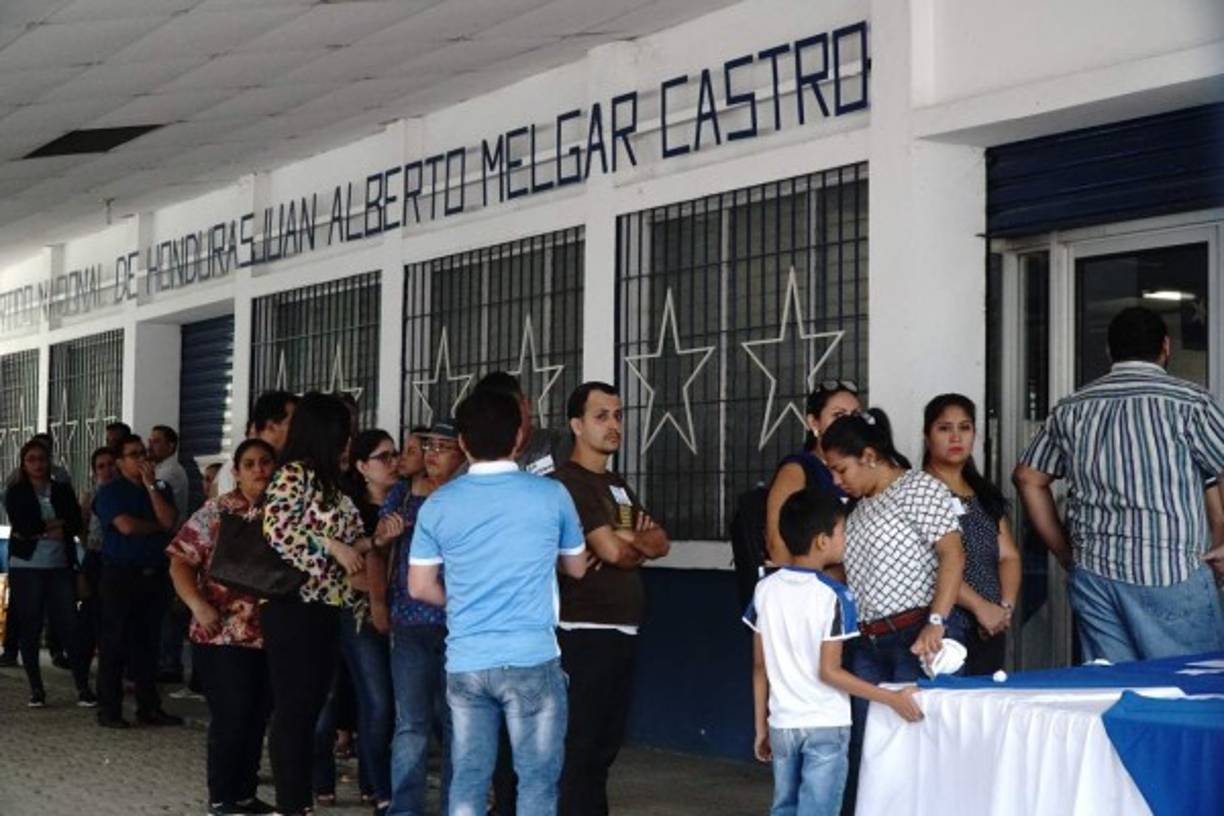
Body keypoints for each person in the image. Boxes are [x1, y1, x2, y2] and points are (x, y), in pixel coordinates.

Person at [407, 389, 587, 816]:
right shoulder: (551, 495)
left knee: (468, 780)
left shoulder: (439, 503)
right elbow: (576, 568)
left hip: (467, 661)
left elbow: (419, 586)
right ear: (519, 435)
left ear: (464, 443)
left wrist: (462, 605)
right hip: (533, 658)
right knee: (537, 783)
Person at [1014, 306, 1224, 662]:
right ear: (1166, 347)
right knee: (1190, 690)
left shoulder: (1072, 408)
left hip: (1095, 573)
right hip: (1170, 569)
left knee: (1113, 693)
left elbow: (1027, 477)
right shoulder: (1190, 403)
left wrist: (1066, 553)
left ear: (1110, 352)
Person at [820, 410, 964, 815]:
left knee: (916, 751)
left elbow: (952, 554)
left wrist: (936, 622)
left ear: (868, 456)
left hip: (915, 637)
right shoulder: (860, 507)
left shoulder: (919, 488)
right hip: (868, 641)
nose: (836, 480)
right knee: (871, 751)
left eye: (840, 469)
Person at [747, 488, 923, 816]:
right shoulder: (835, 595)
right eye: (842, 532)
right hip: (825, 725)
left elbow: (760, 667)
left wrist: (761, 727)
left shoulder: (764, 589)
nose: (846, 540)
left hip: (782, 724)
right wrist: (891, 698)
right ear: (821, 541)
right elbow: (829, 672)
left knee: (784, 807)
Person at [552, 382, 670, 816]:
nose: (614, 425)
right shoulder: (568, 483)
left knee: (604, 749)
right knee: (581, 748)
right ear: (577, 425)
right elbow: (614, 551)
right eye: (602, 416)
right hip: (584, 633)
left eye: (618, 415)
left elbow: (659, 540)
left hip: (622, 631)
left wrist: (629, 538)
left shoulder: (616, 486)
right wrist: (628, 543)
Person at [261, 392, 371, 816]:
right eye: (344, 432)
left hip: (328, 605)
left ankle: (299, 801)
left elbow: (354, 543)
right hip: (293, 606)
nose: (349, 440)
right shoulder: (294, 474)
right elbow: (277, 529)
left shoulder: (333, 482)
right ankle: (292, 804)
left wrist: (370, 542)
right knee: (294, 709)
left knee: (310, 708)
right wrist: (331, 546)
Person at [167, 439, 278, 816]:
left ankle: (245, 793)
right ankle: (222, 798)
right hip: (221, 634)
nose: (259, 470)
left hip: (270, 636)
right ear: (238, 471)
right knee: (231, 716)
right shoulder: (216, 512)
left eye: (266, 462)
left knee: (256, 717)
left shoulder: (284, 514)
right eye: (250, 464)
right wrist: (197, 605)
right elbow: (180, 563)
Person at [385, 420, 464, 816]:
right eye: (428, 445)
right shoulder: (402, 494)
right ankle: (404, 808)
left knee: (457, 726)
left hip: (459, 627)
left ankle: (456, 806)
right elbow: (379, 543)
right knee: (411, 724)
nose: (432, 454)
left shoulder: (469, 497)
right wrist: (384, 535)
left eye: (443, 446)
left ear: (463, 452)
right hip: (411, 621)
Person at [921, 394, 1020, 676]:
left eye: (964, 428)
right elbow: (930, 564)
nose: (956, 437)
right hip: (947, 624)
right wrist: (980, 608)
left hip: (992, 624)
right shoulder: (920, 491)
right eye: (944, 428)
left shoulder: (983, 492)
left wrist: (1004, 609)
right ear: (927, 435)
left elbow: (1009, 556)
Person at [337, 428, 409, 816]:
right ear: (363, 467)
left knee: (391, 705)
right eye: (384, 457)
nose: (394, 462)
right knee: (377, 702)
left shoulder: (407, 502)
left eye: (396, 454)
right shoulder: (351, 510)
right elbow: (348, 573)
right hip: (359, 614)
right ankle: (380, 788)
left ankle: (374, 781)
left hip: (405, 615)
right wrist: (375, 547)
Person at [92, 433, 182, 728]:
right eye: (134, 454)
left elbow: (170, 522)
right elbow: (126, 527)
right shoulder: (110, 492)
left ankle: (149, 706)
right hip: (121, 574)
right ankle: (109, 708)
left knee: (149, 644)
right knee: (115, 643)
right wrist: (156, 527)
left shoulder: (160, 487)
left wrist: (151, 488)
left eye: (144, 453)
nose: (142, 459)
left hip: (153, 574)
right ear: (119, 462)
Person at [3, 439, 92, 707]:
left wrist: (45, 527)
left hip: (59, 565)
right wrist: (51, 526)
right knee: (30, 625)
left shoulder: (62, 489)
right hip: (27, 566)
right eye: (32, 459)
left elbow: (75, 522)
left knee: (69, 625)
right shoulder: (16, 491)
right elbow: (24, 526)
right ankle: (36, 689)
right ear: (23, 462)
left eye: (42, 459)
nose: (38, 465)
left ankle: (83, 687)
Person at [765, 381, 861, 565]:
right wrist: (803, 586)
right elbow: (777, 543)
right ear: (813, 422)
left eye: (855, 416)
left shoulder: (864, 468)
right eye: (838, 415)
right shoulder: (797, 469)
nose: (848, 423)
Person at [76, 446, 117, 686]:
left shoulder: (126, 494)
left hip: (117, 562)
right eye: (101, 466)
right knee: (90, 616)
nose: (107, 470)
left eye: (110, 464)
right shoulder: (91, 496)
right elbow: (82, 528)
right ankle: (82, 674)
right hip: (95, 558)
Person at [215, 390, 297, 497]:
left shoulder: (290, 464)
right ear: (271, 426)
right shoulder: (236, 466)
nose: (258, 469)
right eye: (293, 423)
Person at [150, 424, 189, 527]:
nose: (150, 446)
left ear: (170, 446)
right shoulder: (160, 467)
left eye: (156, 441)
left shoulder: (170, 471)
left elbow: (152, 489)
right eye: (150, 441)